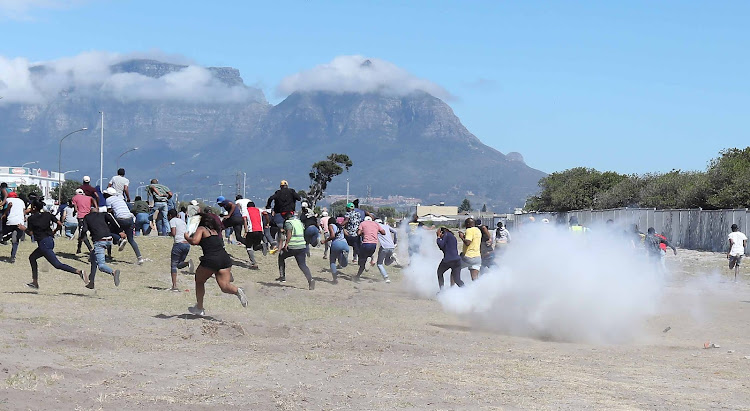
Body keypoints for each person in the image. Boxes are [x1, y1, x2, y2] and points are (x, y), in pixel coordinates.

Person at [184, 213, 247, 316]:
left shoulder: (202, 229)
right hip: (224, 259)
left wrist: (187, 237)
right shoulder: (214, 231)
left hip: (211, 259)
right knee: (225, 286)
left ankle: (199, 308)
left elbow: (194, 241)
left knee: (199, 281)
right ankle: (237, 290)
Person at [24, 200, 88, 289]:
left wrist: (23, 228)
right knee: (32, 258)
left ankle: (79, 272)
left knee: (57, 265)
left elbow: (30, 233)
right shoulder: (47, 215)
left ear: (34, 208)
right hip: (50, 241)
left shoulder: (31, 219)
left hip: (43, 243)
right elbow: (60, 224)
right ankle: (35, 282)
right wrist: (54, 231)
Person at [81, 207, 124, 289]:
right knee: (93, 258)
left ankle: (113, 272)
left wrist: (82, 237)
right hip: (109, 239)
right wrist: (120, 231)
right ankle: (91, 281)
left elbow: (84, 230)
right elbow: (112, 220)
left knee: (101, 265)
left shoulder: (87, 217)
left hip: (99, 241)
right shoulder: (103, 215)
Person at [104, 187, 144, 264]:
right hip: (129, 218)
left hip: (120, 219)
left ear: (108, 194)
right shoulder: (120, 199)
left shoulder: (108, 200)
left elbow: (109, 213)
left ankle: (119, 241)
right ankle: (140, 258)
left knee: (109, 231)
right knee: (131, 240)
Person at [276, 212, 315, 290]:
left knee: (281, 256)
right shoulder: (298, 221)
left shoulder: (288, 222)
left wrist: (286, 244)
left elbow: (289, 233)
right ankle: (310, 280)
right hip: (302, 246)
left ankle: (282, 276)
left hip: (293, 246)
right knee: (302, 265)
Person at [265, 180, 301, 244]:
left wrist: (268, 206)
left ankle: (276, 242)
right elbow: (299, 198)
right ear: (287, 186)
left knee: (277, 228)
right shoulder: (291, 191)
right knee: (290, 228)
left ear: (280, 186)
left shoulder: (278, 192)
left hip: (280, 213)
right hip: (290, 213)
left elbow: (270, 198)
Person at [168, 209, 193, 291]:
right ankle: (187, 263)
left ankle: (174, 286)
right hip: (187, 244)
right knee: (179, 264)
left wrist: (169, 233)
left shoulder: (172, 220)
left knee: (174, 265)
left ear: (170, 215)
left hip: (179, 244)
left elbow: (174, 233)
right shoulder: (182, 221)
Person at [356, 216, 385, 280]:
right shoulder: (376, 224)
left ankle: (358, 275)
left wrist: (362, 232)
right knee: (368, 255)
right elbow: (383, 232)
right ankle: (369, 259)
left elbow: (358, 233)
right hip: (374, 244)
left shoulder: (363, 223)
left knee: (362, 260)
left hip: (366, 243)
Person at [2, 192, 27, 263]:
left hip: (10, 221)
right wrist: (24, 217)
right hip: (19, 222)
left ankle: (4, 238)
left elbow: (5, 208)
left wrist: (4, 214)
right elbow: (23, 211)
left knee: (3, 233)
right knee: (15, 241)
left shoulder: (8, 200)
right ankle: (13, 256)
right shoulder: (21, 201)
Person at [323, 217, 348, 283]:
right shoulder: (340, 227)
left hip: (336, 244)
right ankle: (343, 256)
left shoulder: (331, 226)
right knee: (343, 264)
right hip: (345, 244)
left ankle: (335, 278)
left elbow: (332, 236)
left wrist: (325, 241)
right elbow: (347, 234)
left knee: (332, 261)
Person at [71, 188, 95, 254]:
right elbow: (93, 200)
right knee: (88, 233)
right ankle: (79, 248)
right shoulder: (88, 197)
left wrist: (74, 212)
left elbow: (76, 209)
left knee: (82, 234)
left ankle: (90, 249)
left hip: (81, 217)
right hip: (89, 216)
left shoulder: (74, 198)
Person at [374, 218, 398, 283]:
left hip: (384, 247)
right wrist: (395, 242)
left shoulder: (376, 227)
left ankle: (386, 277)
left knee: (379, 264)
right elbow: (395, 232)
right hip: (392, 246)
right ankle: (392, 258)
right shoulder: (387, 226)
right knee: (387, 263)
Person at [243, 201, 263, 269]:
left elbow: (245, 220)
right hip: (260, 230)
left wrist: (246, 231)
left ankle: (254, 263)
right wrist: (267, 222)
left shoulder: (246, 210)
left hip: (251, 230)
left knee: (248, 247)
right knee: (255, 246)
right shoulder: (259, 210)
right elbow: (266, 213)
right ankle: (262, 246)